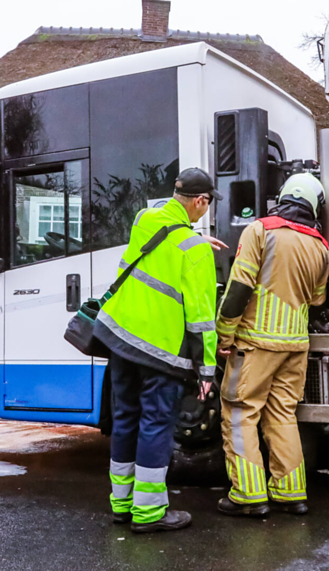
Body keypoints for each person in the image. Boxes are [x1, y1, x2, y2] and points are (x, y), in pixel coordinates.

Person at [93, 167, 227, 534]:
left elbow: (166, 239)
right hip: (159, 351)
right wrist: (206, 370)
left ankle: (122, 505)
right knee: (155, 424)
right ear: (201, 201)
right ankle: (150, 512)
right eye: (207, 203)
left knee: (125, 420)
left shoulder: (144, 219)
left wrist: (198, 240)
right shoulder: (194, 249)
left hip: (121, 340)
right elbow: (201, 319)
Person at [215, 173, 329, 517]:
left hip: (255, 341)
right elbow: (318, 299)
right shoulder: (321, 246)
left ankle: (248, 496)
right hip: (295, 344)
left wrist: (224, 333)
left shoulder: (260, 230)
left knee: (239, 414)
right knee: (282, 415)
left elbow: (238, 288)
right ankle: (291, 493)